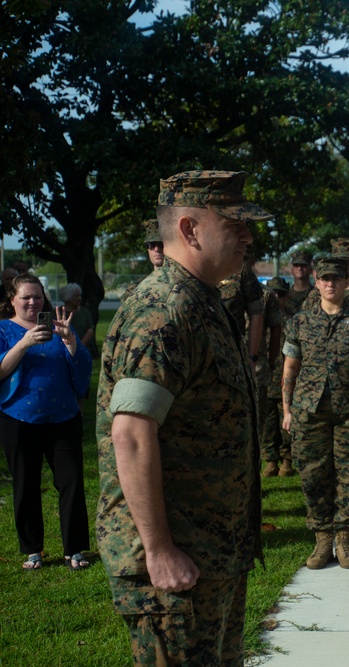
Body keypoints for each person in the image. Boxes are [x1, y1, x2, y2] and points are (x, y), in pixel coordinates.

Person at [96, 170, 269, 665]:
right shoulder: (163, 312)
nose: (248, 235)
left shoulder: (204, 302)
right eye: (235, 223)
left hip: (212, 553)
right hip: (174, 564)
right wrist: (159, 550)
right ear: (190, 229)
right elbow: (129, 434)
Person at [282, 256, 349, 570]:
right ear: (316, 281)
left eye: (336, 279)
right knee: (314, 475)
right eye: (325, 278)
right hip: (309, 411)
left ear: (345, 283)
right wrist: (286, 409)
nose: (330, 284)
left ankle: (344, 539)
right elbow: (290, 368)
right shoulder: (300, 322)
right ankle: (322, 539)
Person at [1, 273, 92, 571]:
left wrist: (70, 343)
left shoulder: (58, 328)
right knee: (26, 484)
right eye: (25, 297)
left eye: (37, 296)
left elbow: (81, 366)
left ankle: (74, 549)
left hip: (63, 418)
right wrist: (24, 343)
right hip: (19, 419)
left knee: (72, 482)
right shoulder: (4, 329)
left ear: (44, 298)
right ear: (12, 300)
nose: (32, 302)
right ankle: (33, 550)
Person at [260, 277, 292, 477]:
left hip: (286, 381)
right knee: (268, 424)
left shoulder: (293, 320)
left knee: (286, 424)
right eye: (273, 294)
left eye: (280, 294)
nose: (277, 297)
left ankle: (287, 459)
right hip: (267, 377)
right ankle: (270, 460)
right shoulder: (259, 321)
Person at [120, 218, 165, 303]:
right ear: (147, 248)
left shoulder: (184, 287)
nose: (156, 249)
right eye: (151, 244)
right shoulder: (135, 289)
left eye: (161, 244)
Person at [59, 282, 98, 358]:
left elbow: (90, 330)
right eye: (76, 296)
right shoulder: (58, 312)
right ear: (68, 296)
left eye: (80, 295)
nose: (79, 298)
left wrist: (79, 345)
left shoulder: (84, 312)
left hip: (82, 350)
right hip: (62, 351)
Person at [285, 250, 314, 315]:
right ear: (292, 270)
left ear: (310, 270)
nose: (300, 268)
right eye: (296, 265)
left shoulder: (318, 295)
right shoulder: (284, 296)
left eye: (303, 265)